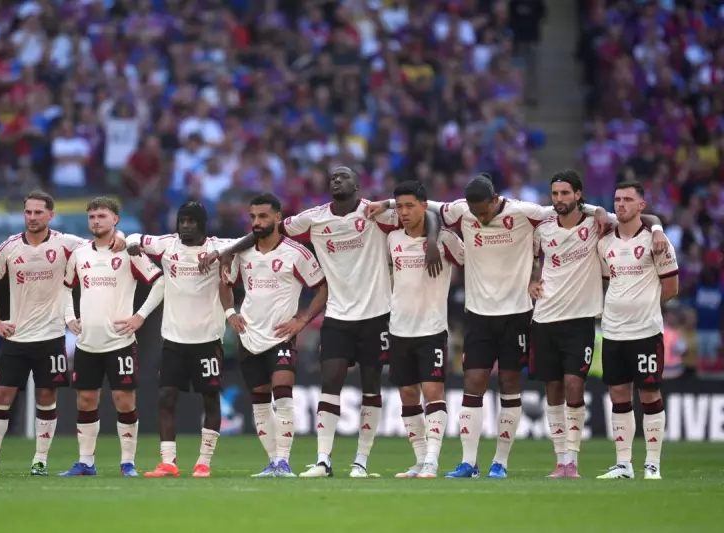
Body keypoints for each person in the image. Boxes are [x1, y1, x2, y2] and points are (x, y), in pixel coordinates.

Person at [201, 167, 442, 478]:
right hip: (337, 315)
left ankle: (361, 461)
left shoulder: (375, 214)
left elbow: (428, 214)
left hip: (377, 314)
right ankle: (323, 460)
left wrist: (427, 237)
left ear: (357, 184)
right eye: (333, 177)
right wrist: (229, 250)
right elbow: (264, 231)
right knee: (330, 384)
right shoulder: (312, 218)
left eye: (344, 176)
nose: (336, 180)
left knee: (371, 387)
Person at [368, 173, 608, 479]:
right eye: (475, 213)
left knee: (509, 385)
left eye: (484, 212)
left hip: (516, 313)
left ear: (495, 200)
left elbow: (562, 209)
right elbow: (428, 207)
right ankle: (468, 462)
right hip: (478, 315)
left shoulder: (523, 212)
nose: (479, 219)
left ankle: (500, 462)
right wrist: (388, 204)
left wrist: (597, 211)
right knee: (474, 385)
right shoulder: (462, 211)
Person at [0, 190, 126, 477]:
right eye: (28, 212)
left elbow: (101, 243)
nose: (32, 217)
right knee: (2, 394)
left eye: (38, 212)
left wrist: (122, 236)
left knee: (46, 395)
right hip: (16, 336)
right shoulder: (9, 247)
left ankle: (39, 460)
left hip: (52, 336)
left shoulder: (67, 244)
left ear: (50, 215)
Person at [530, 170, 667, 479]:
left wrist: (657, 227)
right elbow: (533, 259)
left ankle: (574, 460)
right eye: (555, 194)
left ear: (579, 195)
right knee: (553, 389)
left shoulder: (599, 226)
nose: (560, 199)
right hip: (544, 318)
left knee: (575, 386)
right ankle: (560, 460)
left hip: (581, 320)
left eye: (566, 193)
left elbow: (641, 217)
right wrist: (531, 278)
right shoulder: (542, 227)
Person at [125, 202, 236, 478]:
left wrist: (220, 254)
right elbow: (132, 238)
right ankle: (168, 462)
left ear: (202, 225)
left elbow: (247, 241)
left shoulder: (216, 245)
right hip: (173, 340)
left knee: (210, 399)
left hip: (208, 339)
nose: (185, 226)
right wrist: (131, 245)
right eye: (181, 221)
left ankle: (204, 462)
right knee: (166, 397)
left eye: (191, 221)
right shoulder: (166, 245)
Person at [223, 194, 328, 478]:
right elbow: (226, 283)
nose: (257, 222)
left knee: (283, 396)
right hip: (248, 335)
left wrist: (302, 320)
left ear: (278, 217)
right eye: (253, 217)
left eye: (263, 216)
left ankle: (284, 461)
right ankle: (272, 462)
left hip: (281, 336)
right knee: (259, 402)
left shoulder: (297, 253)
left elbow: (322, 288)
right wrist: (229, 313)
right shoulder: (242, 253)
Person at [59, 197, 164, 477]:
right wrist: (69, 318)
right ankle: (85, 462)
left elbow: (160, 281)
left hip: (120, 342)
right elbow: (65, 288)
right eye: (92, 217)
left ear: (115, 219)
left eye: (102, 216)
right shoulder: (80, 254)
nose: (96, 221)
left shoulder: (129, 251)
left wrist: (139, 316)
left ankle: (128, 462)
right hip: (87, 343)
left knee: (124, 400)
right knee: (85, 401)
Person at [596, 181, 678, 480]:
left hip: (645, 330)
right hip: (614, 332)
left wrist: (643, 306)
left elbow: (671, 287)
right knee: (618, 394)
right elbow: (609, 280)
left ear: (641, 205)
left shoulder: (657, 241)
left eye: (628, 200)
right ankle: (624, 464)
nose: (621, 205)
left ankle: (652, 464)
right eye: (617, 199)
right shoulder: (605, 244)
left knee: (649, 392)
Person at [387, 182, 464, 479]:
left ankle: (433, 459)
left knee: (433, 391)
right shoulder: (391, 238)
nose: (404, 212)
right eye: (399, 207)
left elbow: (469, 261)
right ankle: (419, 460)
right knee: (407, 393)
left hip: (431, 327)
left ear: (423, 206)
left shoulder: (445, 239)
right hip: (398, 329)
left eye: (410, 206)